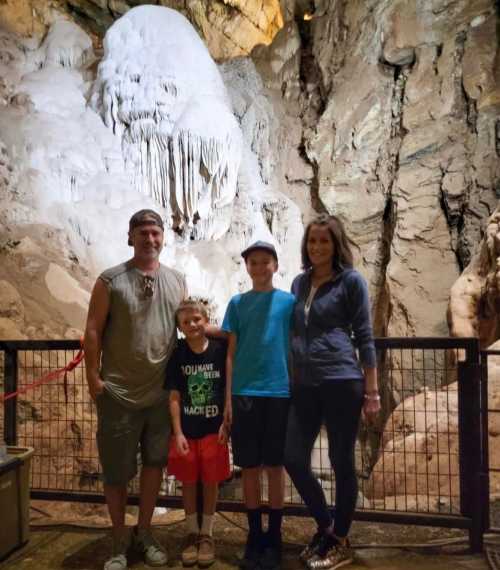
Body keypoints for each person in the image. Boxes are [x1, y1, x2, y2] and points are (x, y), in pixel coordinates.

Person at [83, 209, 187, 570]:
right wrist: (92, 377)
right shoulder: (110, 281)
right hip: (119, 393)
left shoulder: (177, 281)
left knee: (154, 466)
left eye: (155, 233)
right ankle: (118, 539)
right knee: (116, 472)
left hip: (160, 395)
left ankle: (143, 532)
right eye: (142, 232)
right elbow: (93, 329)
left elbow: (186, 329)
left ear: (163, 237)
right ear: (131, 237)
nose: (150, 239)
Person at [284, 214, 380, 570]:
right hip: (304, 383)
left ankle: (339, 539)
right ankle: (327, 527)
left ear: (336, 244)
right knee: (292, 457)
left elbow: (365, 336)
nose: (317, 247)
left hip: (342, 380)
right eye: (312, 241)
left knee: (342, 462)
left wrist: (372, 391)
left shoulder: (350, 281)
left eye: (324, 241)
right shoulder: (299, 283)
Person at [222, 241, 295, 570]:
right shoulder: (237, 304)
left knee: (275, 468)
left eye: (266, 261)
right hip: (245, 393)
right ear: (247, 267)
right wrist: (228, 399)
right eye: (254, 262)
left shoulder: (289, 303)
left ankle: (274, 537)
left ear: (275, 266)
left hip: (279, 392)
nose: (260, 267)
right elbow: (230, 353)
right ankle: (254, 536)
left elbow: (296, 347)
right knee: (249, 467)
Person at [165, 299, 230, 568]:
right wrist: (177, 432)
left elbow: (228, 387)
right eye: (186, 322)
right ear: (179, 327)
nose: (192, 324)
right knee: (189, 481)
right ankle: (191, 531)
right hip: (187, 431)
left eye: (197, 319)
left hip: (214, 431)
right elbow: (175, 397)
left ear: (207, 321)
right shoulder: (178, 355)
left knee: (211, 481)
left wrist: (227, 423)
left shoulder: (219, 350)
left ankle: (207, 533)